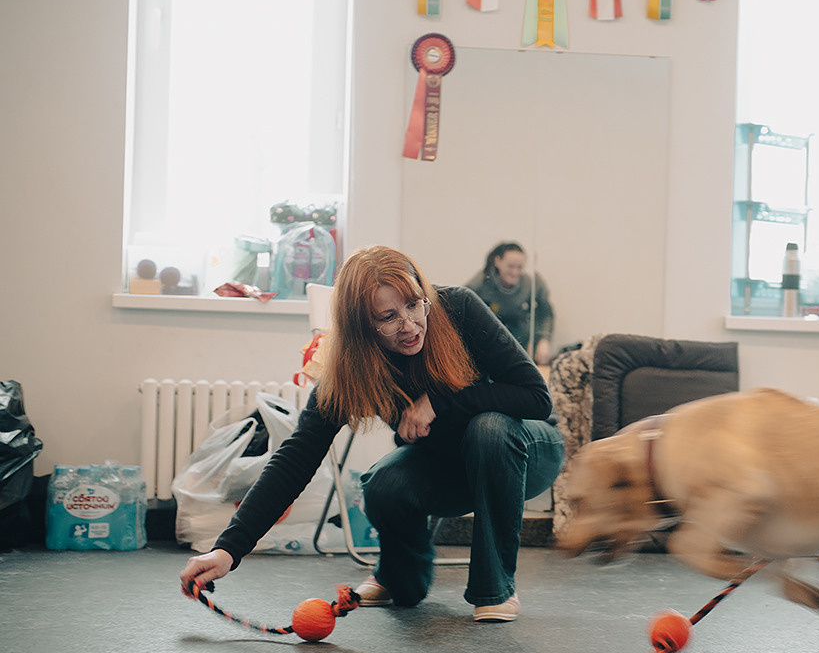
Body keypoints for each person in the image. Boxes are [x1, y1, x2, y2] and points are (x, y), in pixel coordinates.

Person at [178, 245, 565, 621]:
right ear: (362, 325)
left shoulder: (458, 307)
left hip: (526, 452)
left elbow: (535, 397)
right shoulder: (351, 368)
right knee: (384, 482)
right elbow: (297, 456)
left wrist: (439, 401)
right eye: (389, 316)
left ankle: (494, 588)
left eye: (414, 305)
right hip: (454, 465)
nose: (410, 325)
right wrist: (228, 549)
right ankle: (398, 579)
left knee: (490, 428)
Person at [466, 241, 555, 366]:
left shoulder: (530, 284)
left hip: (521, 343)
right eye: (511, 266)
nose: (515, 272)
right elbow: (464, 314)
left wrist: (544, 340)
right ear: (498, 262)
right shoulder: (480, 284)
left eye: (519, 268)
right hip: (489, 343)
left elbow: (546, 312)